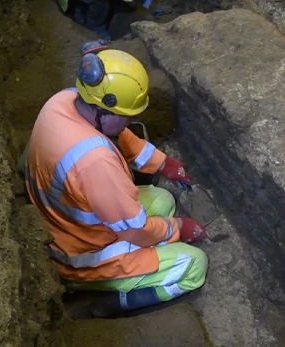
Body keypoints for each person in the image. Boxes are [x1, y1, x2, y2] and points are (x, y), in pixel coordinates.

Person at [23, 40, 208, 318]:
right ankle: (110, 300)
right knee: (194, 265)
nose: (130, 121)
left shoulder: (66, 100)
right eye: (126, 116)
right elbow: (136, 231)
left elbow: (121, 136)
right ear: (104, 111)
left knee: (163, 199)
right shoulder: (95, 162)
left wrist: (164, 164)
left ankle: (141, 258)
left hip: (64, 220)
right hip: (79, 253)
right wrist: (178, 228)